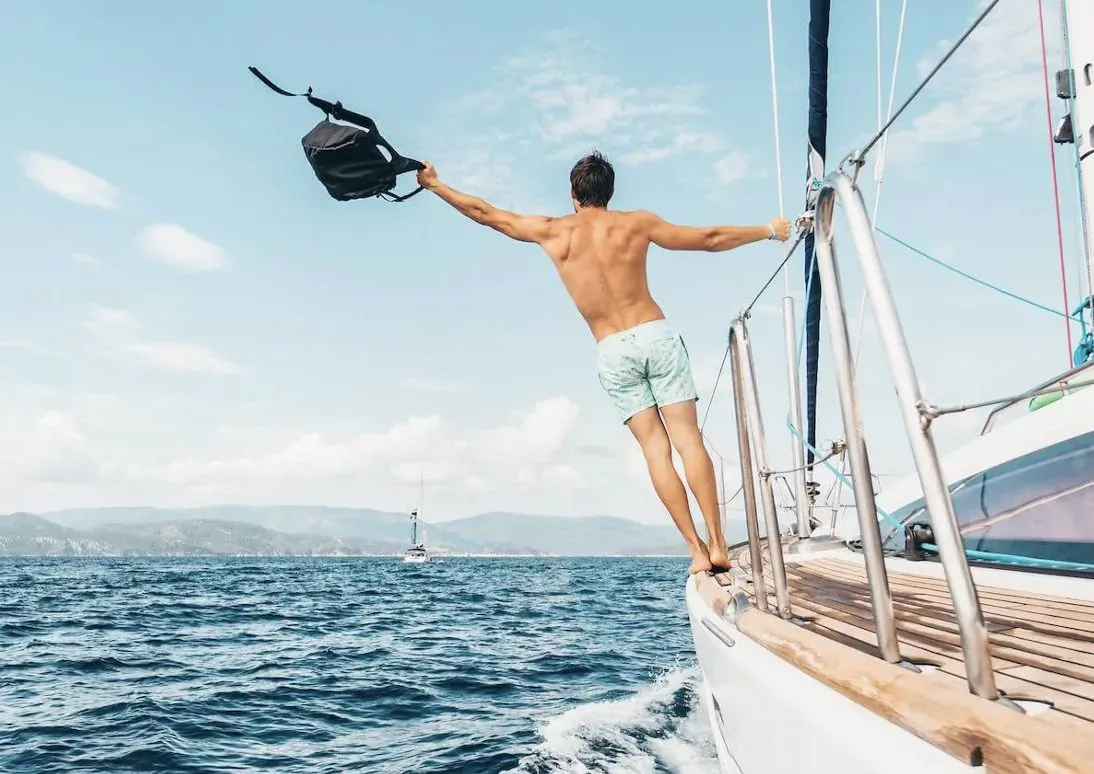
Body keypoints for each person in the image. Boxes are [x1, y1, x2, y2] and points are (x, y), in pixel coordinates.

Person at [417, 151, 790, 575]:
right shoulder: (637, 224)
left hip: (613, 348)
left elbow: (486, 214)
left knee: (655, 450)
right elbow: (709, 238)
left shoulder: (553, 231)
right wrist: (768, 230)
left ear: (573, 194)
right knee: (688, 440)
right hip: (655, 334)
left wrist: (436, 185)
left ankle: (697, 552)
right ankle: (720, 544)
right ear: (610, 192)